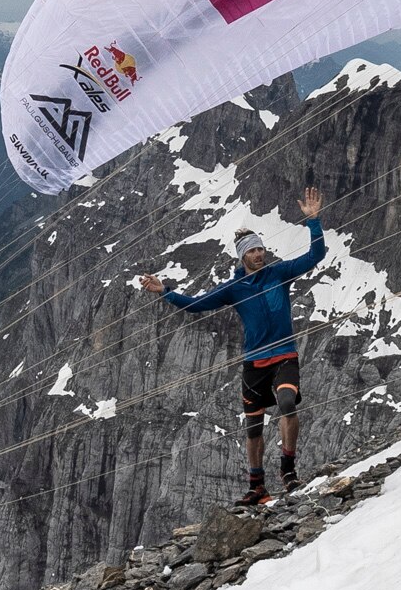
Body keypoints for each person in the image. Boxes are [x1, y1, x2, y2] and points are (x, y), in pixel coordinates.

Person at [140, 187, 328, 504]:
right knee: (253, 429)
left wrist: (313, 222)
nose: (258, 254)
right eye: (252, 251)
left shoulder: (279, 273)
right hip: (254, 363)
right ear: (242, 256)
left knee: (286, 403)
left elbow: (315, 256)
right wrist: (164, 291)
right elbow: (195, 305)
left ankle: (288, 470)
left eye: (260, 249)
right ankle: (257, 487)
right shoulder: (234, 288)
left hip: (283, 356)